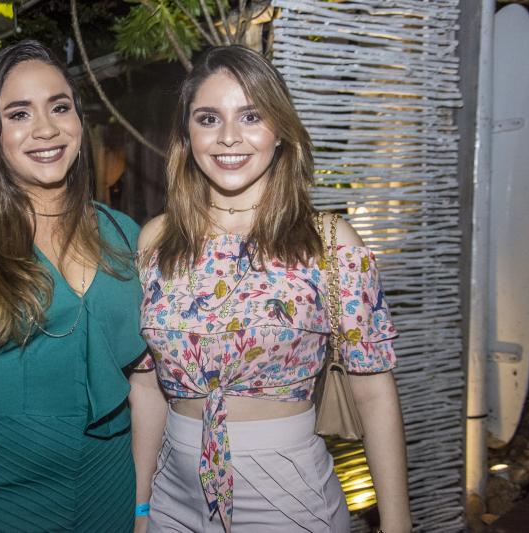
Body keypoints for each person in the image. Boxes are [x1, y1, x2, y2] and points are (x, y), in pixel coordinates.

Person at [129, 45, 411, 533]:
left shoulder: (329, 243)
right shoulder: (156, 239)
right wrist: (141, 509)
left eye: (251, 116)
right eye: (208, 118)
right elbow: (147, 386)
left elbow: (373, 390)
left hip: (288, 495)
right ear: (187, 135)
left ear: (279, 130)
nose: (229, 137)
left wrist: (397, 523)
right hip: (171, 495)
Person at [0, 40, 145, 532]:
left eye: (60, 107)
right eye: (18, 114)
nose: (46, 129)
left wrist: (143, 508)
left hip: (110, 488)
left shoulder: (125, 235)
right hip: (1, 492)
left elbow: (149, 381)